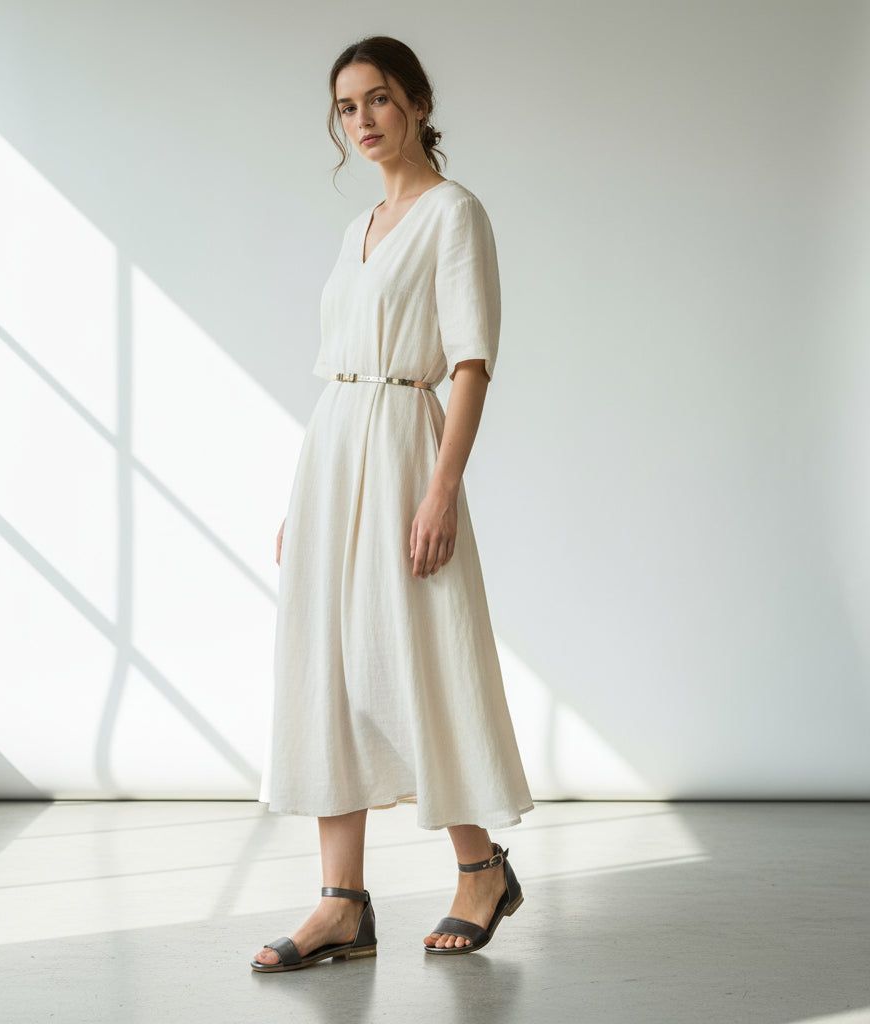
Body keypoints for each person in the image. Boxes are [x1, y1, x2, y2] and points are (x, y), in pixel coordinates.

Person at [252, 36, 534, 973]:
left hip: (407, 450)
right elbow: (341, 369)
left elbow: (470, 361)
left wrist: (442, 488)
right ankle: (341, 902)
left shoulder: (455, 214)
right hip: (335, 454)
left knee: (412, 660)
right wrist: (307, 496)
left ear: (415, 102)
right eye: (345, 108)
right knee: (330, 670)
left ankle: (479, 866)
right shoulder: (359, 229)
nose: (362, 120)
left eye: (377, 99)